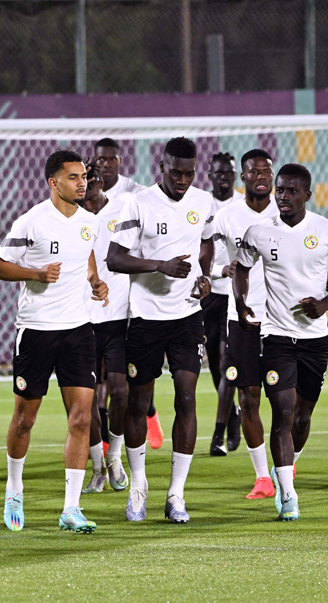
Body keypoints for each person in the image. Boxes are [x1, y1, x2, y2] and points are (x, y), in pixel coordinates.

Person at [0, 150, 108, 534]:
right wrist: (36, 274)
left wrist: (95, 282)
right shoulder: (31, 221)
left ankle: (71, 509)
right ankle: (14, 488)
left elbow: (86, 254)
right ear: (52, 182)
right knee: (25, 419)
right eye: (73, 177)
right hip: (37, 331)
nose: (82, 183)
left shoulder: (90, 222)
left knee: (81, 419)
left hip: (79, 331)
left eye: (84, 177)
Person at [234, 164, 328, 521]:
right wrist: (242, 303)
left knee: (302, 418)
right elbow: (242, 268)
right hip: (275, 336)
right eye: (280, 190)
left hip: (315, 340)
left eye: (291, 191)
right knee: (283, 411)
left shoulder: (327, 230)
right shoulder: (259, 231)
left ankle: (286, 467)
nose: (283, 197)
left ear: (307, 194)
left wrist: (324, 305)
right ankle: (288, 493)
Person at [105, 136, 214, 524]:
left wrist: (204, 279)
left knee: (186, 399)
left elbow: (205, 246)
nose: (182, 180)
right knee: (138, 402)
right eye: (176, 172)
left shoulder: (203, 203)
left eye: (189, 173)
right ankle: (138, 488)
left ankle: (176, 495)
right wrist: (158, 266)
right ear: (161, 168)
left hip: (186, 316)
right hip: (145, 318)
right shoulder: (139, 203)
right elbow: (114, 258)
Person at [211, 149, 278, 499]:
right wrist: (211, 272)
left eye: (267, 170)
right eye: (255, 171)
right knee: (249, 397)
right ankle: (263, 477)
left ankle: (286, 467)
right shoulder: (226, 216)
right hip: (242, 318)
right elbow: (201, 255)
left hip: (284, 320)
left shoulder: (287, 213)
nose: (261, 176)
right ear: (244, 177)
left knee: (287, 402)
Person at [93, 137, 164, 448]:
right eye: (100, 160)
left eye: (111, 159)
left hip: (125, 301)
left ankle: (148, 413)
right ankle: (104, 442)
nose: (106, 165)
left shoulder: (133, 195)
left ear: (119, 161)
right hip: (91, 307)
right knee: (100, 380)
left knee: (127, 378)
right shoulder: (78, 203)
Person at [80, 164, 131, 494]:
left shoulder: (124, 209)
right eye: (82, 180)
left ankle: (115, 455)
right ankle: (98, 466)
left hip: (118, 316)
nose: (89, 186)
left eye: (92, 180)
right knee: (86, 400)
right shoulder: (70, 218)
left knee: (120, 391)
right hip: (80, 319)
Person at [205, 152, 245, 456]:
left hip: (236, 294)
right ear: (210, 175)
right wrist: (219, 270)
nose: (224, 178)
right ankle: (232, 414)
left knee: (225, 359)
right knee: (216, 364)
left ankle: (220, 432)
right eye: (219, 173)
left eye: (228, 173)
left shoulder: (245, 204)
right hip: (209, 293)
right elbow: (196, 250)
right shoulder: (202, 206)